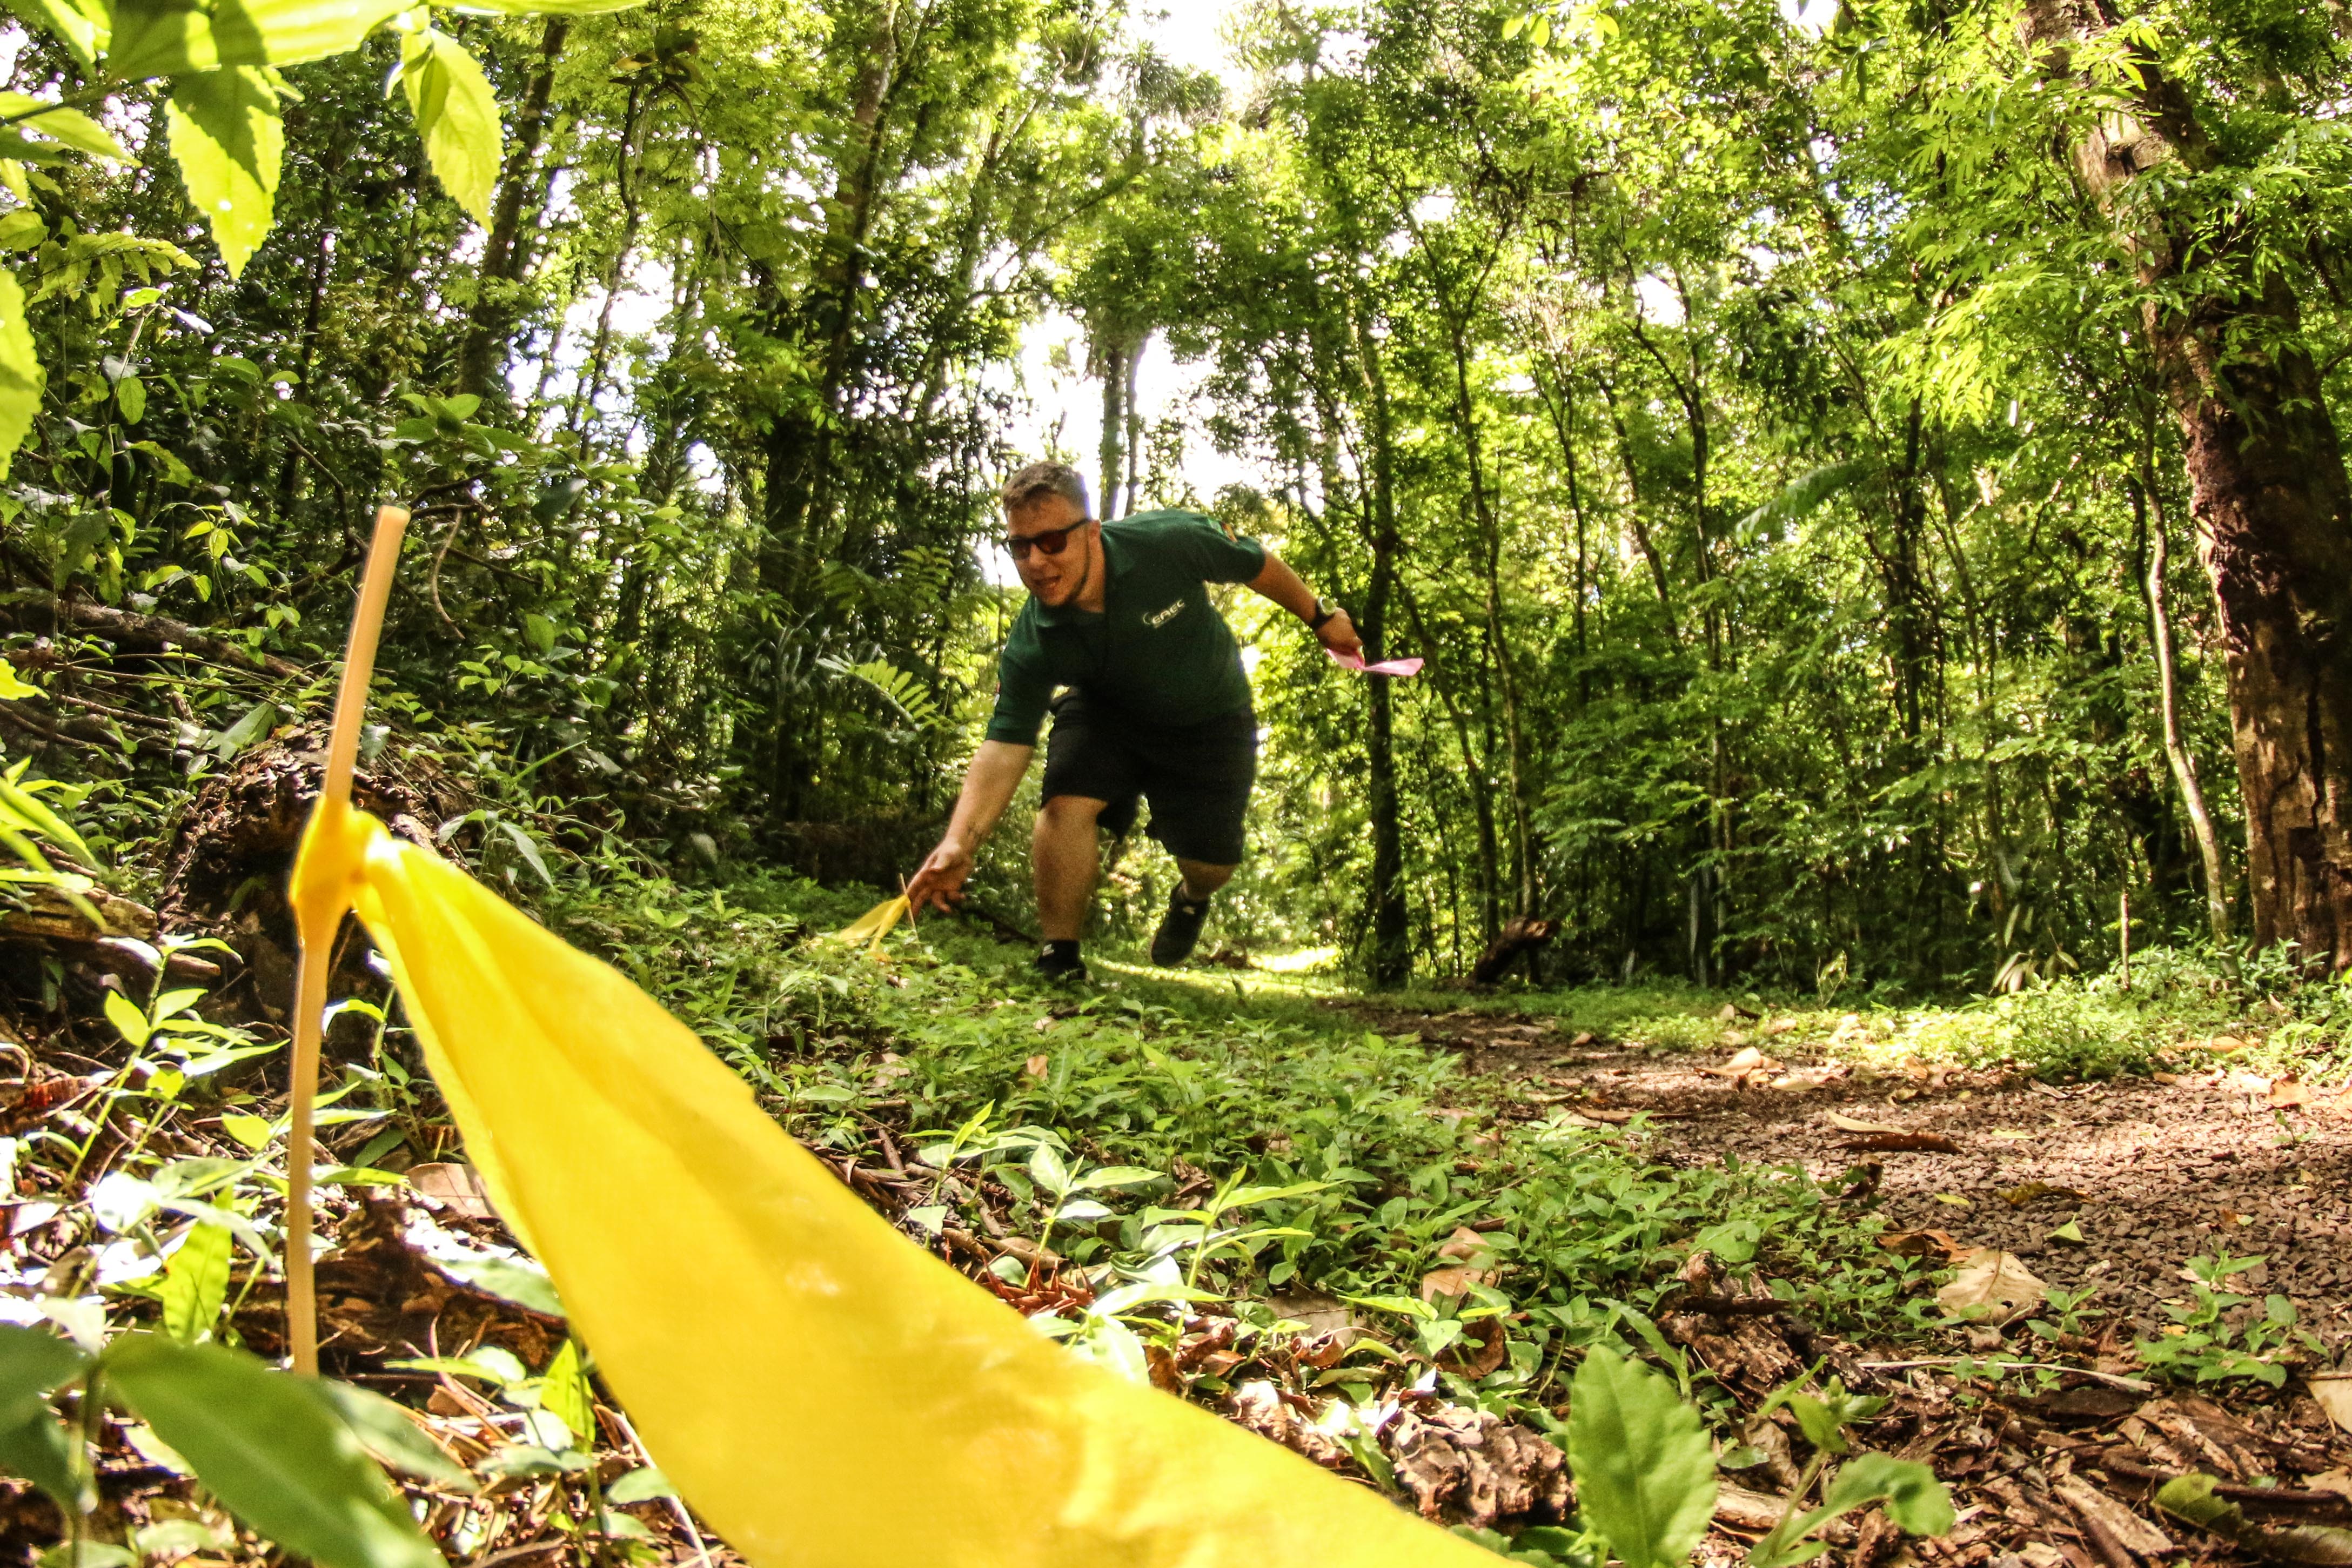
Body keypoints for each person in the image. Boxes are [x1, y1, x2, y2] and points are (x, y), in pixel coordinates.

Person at [904, 461, 1362, 980]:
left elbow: (1254, 563)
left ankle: (1191, 898)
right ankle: (1060, 957)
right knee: (1065, 801)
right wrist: (960, 841)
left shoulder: (1168, 542)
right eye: (1020, 546)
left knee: (1211, 866)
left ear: (1091, 533)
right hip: (1107, 710)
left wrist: (1320, 618)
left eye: (1052, 542)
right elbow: (1005, 744)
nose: (1035, 561)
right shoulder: (1034, 639)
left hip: (1210, 716)